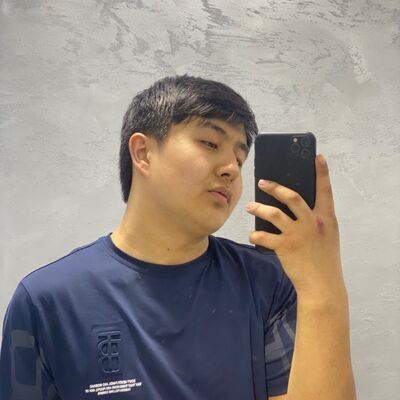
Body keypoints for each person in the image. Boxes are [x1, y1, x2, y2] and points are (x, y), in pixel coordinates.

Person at [0, 75, 356, 400]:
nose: (231, 169)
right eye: (210, 143)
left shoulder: (268, 282)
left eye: (239, 158)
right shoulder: (47, 300)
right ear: (143, 153)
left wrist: (323, 283)